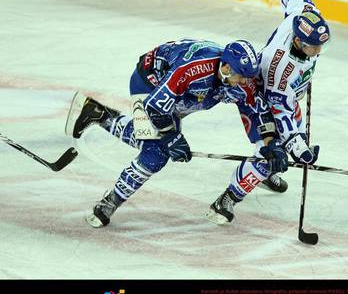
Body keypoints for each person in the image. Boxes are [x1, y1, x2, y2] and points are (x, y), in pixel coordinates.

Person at [65, 38, 288, 228]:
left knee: (151, 140)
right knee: (155, 153)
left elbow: (256, 110)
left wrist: (270, 144)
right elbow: (154, 107)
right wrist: (172, 137)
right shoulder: (193, 70)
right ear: (226, 68)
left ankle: (99, 115)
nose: (245, 83)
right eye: (241, 77)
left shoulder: (238, 78)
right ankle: (110, 202)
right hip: (149, 83)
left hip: (184, 97)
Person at [206, 0, 330, 224]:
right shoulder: (280, 69)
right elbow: (280, 111)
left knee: (293, 136)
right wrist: (298, 148)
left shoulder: (305, 16)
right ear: (297, 42)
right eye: (312, 47)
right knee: (269, 154)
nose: (318, 51)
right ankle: (227, 199)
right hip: (261, 98)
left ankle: (266, 174)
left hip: (288, 96)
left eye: (320, 45)